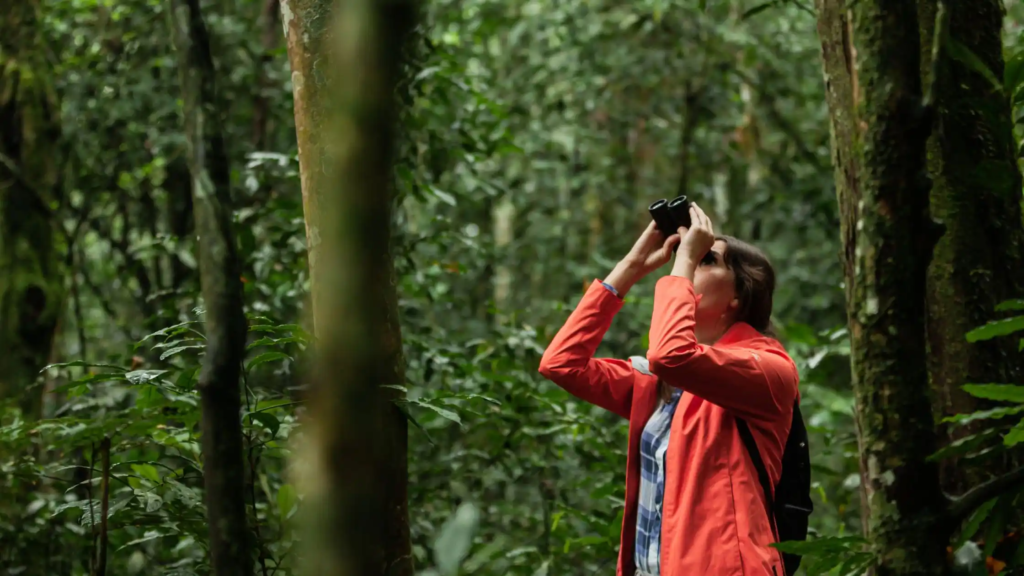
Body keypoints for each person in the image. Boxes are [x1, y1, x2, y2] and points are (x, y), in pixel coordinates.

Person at [538, 203, 799, 576]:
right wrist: (632, 265)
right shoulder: (663, 384)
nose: (688, 265)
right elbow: (561, 364)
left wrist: (683, 261)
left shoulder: (768, 370)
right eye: (688, 258)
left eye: (706, 260)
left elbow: (670, 354)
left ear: (739, 295)